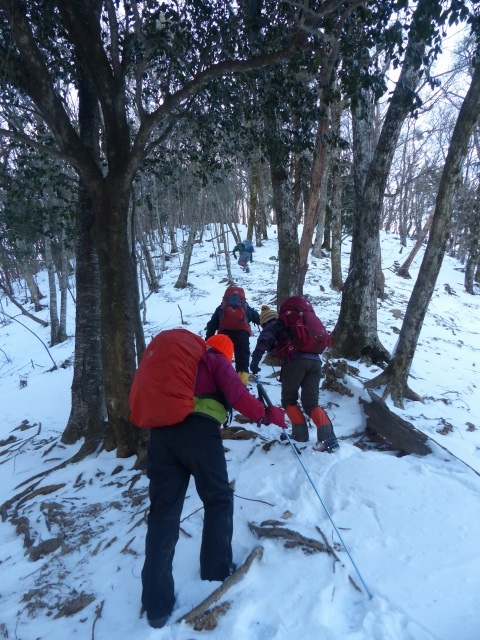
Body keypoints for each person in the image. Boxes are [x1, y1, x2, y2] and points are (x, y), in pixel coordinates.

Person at [141, 334, 287, 629]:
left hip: (160, 438)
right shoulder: (216, 360)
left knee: (162, 515)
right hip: (198, 433)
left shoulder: (187, 364)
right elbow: (238, 396)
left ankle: (156, 606)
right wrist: (268, 415)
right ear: (227, 352)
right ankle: (215, 572)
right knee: (218, 499)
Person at [250, 304, 339, 452]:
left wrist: (255, 360)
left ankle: (300, 435)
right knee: (311, 402)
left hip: (295, 362)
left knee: (289, 400)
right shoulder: (295, 326)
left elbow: (264, 339)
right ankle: (328, 438)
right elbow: (277, 345)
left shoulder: (274, 324)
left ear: (265, 322)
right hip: (315, 362)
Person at [205, 286, 260, 386]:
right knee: (242, 362)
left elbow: (212, 325)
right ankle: (241, 387)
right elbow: (259, 319)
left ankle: (220, 385)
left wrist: (208, 341)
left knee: (222, 361)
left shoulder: (221, 307)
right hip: (242, 336)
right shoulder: (246, 307)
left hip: (223, 337)